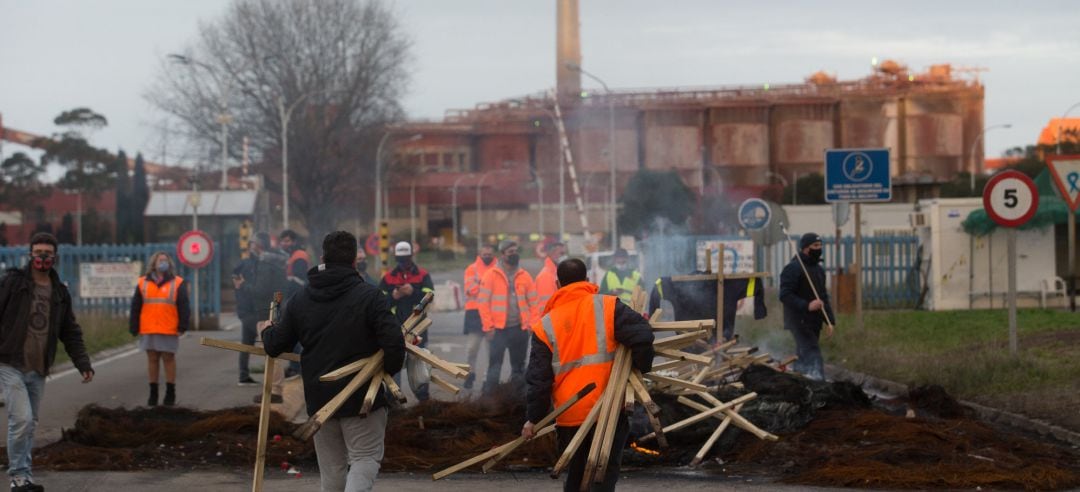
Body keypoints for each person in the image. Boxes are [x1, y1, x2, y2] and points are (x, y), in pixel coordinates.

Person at [261, 231, 405, 492]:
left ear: (322, 257)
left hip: (320, 399)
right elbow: (394, 344)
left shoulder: (300, 299)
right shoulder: (370, 296)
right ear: (354, 261)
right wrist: (387, 372)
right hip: (364, 398)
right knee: (365, 458)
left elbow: (274, 346)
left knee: (332, 470)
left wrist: (267, 330)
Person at [523, 258, 654, 492]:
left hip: (570, 414)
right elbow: (643, 335)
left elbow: (539, 380)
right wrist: (637, 370)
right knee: (603, 475)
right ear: (587, 280)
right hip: (609, 409)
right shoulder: (608, 306)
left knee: (576, 475)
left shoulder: (544, 326)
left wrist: (535, 418)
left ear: (557, 284)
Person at [0, 232, 94, 492]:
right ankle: (17, 477)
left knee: (30, 424)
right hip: (9, 363)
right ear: (30, 255)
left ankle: (25, 477)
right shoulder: (12, 283)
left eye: (47, 254)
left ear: (55, 257)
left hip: (38, 367)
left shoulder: (60, 293)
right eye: (38, 252)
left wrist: (83, 363)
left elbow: (70, 331)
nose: (42, 257)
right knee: (22, 420)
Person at [477, 240, 539, 395]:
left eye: (516, 251)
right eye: (510, 251)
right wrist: (488, 327)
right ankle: (489, 400)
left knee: (518, 368)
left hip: (519, 329)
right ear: (502, 255)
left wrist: (532, 324)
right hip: (498, 331)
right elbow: (483, 304)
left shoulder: (525, 276)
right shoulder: (491, 275)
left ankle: (517, 398)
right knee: (494, 367)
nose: (514, 254)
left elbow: (534, 303)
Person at [129, 251, 190, 407]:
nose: (163, 263)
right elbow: (136, 306)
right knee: (152, 359)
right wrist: (134, 325)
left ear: (170, 264)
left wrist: (182, 326)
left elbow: (184, 305)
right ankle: (153, 393)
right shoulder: (142, 282)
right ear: (154, 264)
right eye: (160, 260)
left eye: (166, 260)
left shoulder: (177, 282)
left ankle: (170, 392)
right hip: (149, 327)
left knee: (168, 359)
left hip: (169, 327)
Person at [234, 232, 289, 401]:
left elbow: (260, 290)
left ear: (258, 245)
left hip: (266, 313)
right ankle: (272, 390)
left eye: (252, 243)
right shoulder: (276, 263)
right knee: (272, 353)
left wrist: (243, 286)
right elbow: (280, 290)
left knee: (271, 354)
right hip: (274, 309)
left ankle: (274, 392)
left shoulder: (265, 265)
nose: (250, 246)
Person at [378, 241, 434, 399]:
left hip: (418, 328)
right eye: (400, 259)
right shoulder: (388, 277)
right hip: (395, 329)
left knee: (419, 366)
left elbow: (430, 296)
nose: (403, 263)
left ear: (411, 256)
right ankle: (394, 400)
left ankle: (423, 400)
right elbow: (379, 302)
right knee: (393, 366)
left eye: (406, 259)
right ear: (396, 258)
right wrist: (393, 297)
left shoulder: (422, 275)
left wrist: (413, 292)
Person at [779, 232, 836, 381]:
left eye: (820, 245)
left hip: (814, 321)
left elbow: (822, 297)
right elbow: (784, 295)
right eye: (815, 246)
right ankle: (819, 383)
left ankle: (799, 381)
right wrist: (806, 305)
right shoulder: (793, 268)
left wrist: (829, 321)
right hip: (798, 320)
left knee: (804, 354)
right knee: (812, 352)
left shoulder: (819, 270)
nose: (819, 248)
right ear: (805, 248)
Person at [461, 243, 497, 389]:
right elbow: (470, 290)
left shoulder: (498, 269)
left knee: (491, 351)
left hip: (493, 314)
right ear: (479, 254)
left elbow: (499, 290)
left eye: (489, 254)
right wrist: (488, 286)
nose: (487, 256)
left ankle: (486, 380)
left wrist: (480, 284)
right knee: (471, 349)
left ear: (494, 254)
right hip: (474, 314)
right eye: (484, 254)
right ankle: (470, 374)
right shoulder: (472, 269)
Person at [279, 229, 310, 379]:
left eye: (287, 241)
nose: (284, 244)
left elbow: (300, 280)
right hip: (295, 299)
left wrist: (285, 282)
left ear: (294, 241)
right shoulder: (293, 256)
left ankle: (296, 367)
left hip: (296, 300)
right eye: (283, 241)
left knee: (294, 335)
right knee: (295, 335)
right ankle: (296, 366)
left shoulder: (299, 257)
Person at [534, 241, 565, 308]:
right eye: (561, 253)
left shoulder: (555, 273)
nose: (564, 256)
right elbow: (546, 306)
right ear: (552, 253)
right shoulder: (546, 276)